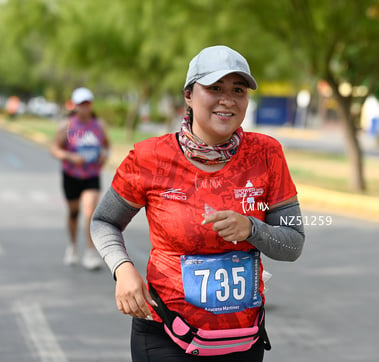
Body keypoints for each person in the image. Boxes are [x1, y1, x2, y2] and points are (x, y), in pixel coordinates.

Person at [91, 45, 305, 361]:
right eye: (215, 88)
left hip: (242, 340)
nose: (228, 100)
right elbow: (104, 221)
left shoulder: (266, 154)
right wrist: (122, 269)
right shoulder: (150, 158)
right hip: (165, 333)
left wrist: (251, 228)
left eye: (238, 90)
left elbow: (293, 244)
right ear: (189, 95)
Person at [51, 87, 110, 270]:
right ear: (75, 106)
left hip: (91, 175)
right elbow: (55, 149)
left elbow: (106, 146)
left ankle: (90, 253)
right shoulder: (67, 126)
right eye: (81, 104)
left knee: (90, 211)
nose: (85, 107)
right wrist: (70, 157)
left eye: (88, 104)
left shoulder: (99, 126)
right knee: (74, 212)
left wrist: (104, 156)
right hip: (71, 175)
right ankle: (73, 247)